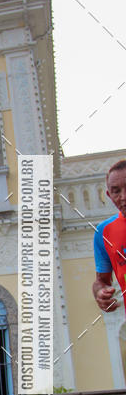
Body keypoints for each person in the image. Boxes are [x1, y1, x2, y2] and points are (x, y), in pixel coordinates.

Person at [93, 159, 126, 378]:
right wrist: (101, 294)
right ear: (108, 195)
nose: (123, 197)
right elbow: (101, 280)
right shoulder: (104, 232)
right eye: (116, 191)